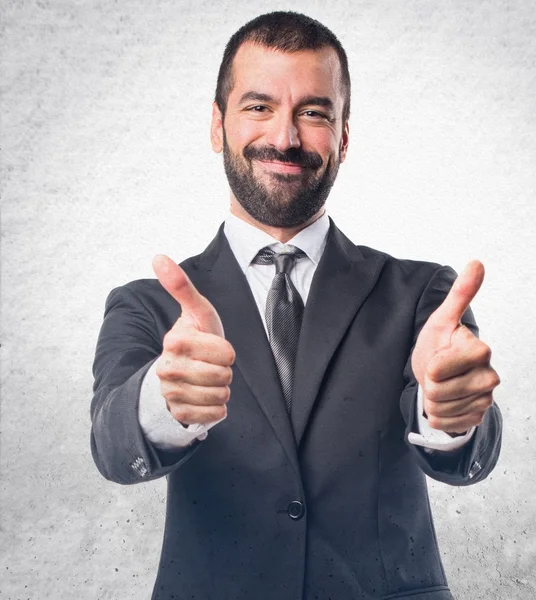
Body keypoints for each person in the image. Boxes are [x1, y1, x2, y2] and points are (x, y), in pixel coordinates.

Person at [90, 11, 502, 600]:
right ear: (216, 126)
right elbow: (110, 446)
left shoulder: (423, 295)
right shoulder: (148, 304)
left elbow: (466, 446)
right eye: (258, 107)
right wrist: (162, 400)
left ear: (344, 136)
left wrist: (453, 417)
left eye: (313, 112)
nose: (284, 137)